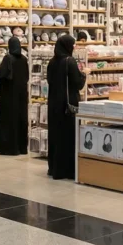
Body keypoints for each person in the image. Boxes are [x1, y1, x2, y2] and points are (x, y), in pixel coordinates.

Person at [47, 35, 85, 180]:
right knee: (68, 136)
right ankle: (67, 169)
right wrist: (84, 74)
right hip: (68, 106)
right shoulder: (70, 61)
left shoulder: (52, 62)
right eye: (73, 45)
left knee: (56, 135)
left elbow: (50, 80)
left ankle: (54, 167)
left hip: (54, 104)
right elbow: (77, 83)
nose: (74, 47)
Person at [0, 37, 29, 156]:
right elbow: (27, 76)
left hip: (9, 94)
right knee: (21, 119)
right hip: (22, 94)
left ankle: (9, 148)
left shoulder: (8, 58)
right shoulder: (24, 59)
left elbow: (2, 75)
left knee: (8, 120)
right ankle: (21, 147)